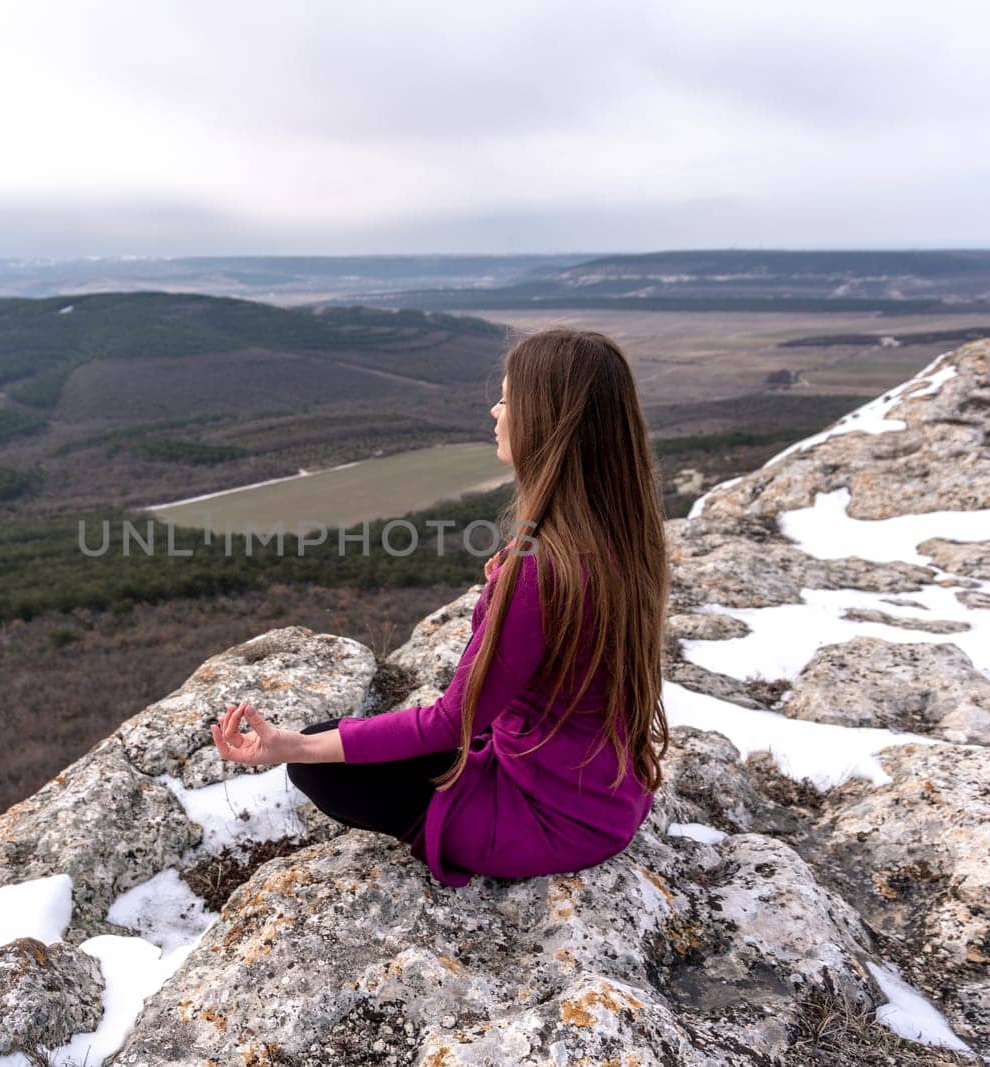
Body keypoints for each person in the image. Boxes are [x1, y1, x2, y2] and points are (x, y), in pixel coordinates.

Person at [210, 328, 670, 889]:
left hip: (551, 817)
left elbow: (456, 719)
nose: (495, 409)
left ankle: (456, 826)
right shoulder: (617, 535)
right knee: (340, 742)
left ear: (548, 421)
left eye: (508, 398)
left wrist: (293, 746)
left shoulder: (541, 570)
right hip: (601, 793)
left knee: (319, 765)